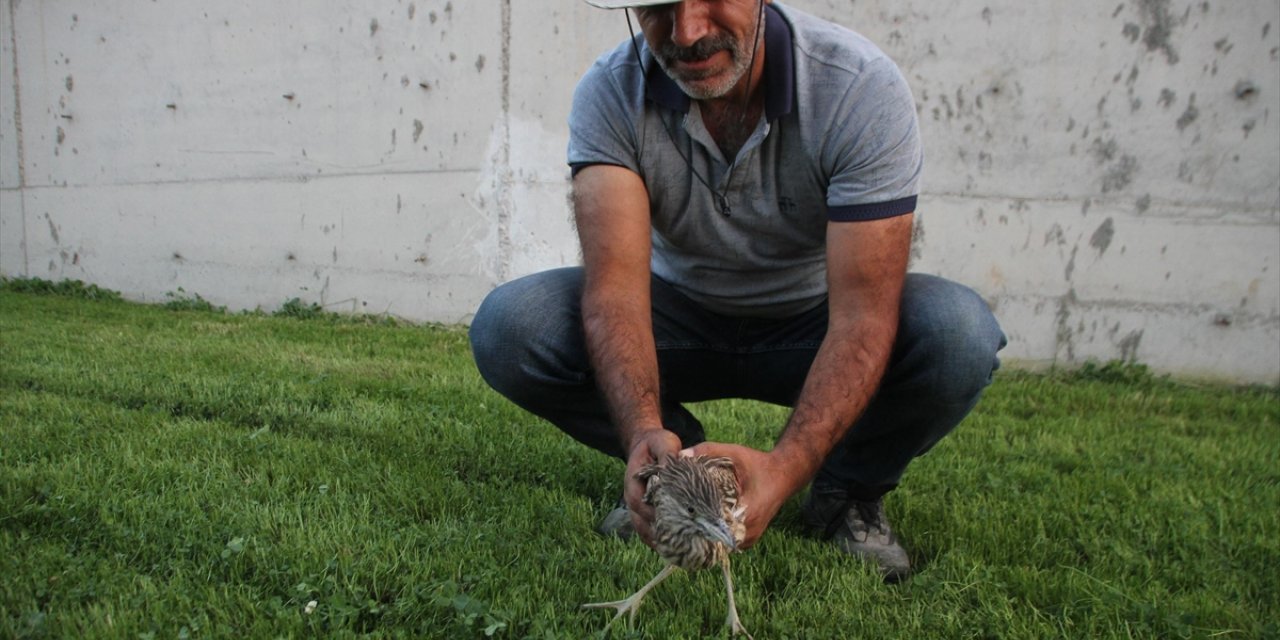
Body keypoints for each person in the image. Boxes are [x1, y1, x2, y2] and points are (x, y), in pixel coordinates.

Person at [469, 0, 1005, 582]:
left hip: (813, 323)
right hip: (675, 317)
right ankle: (679, 473)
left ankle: (846, 490)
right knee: (513, 325)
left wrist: (783, 469)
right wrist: (643, 432)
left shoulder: (857, 87)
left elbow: (863, 319)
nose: (687, 33)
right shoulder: (609, 92)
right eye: (656, 8)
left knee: (957, 334)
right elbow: (616, 296)